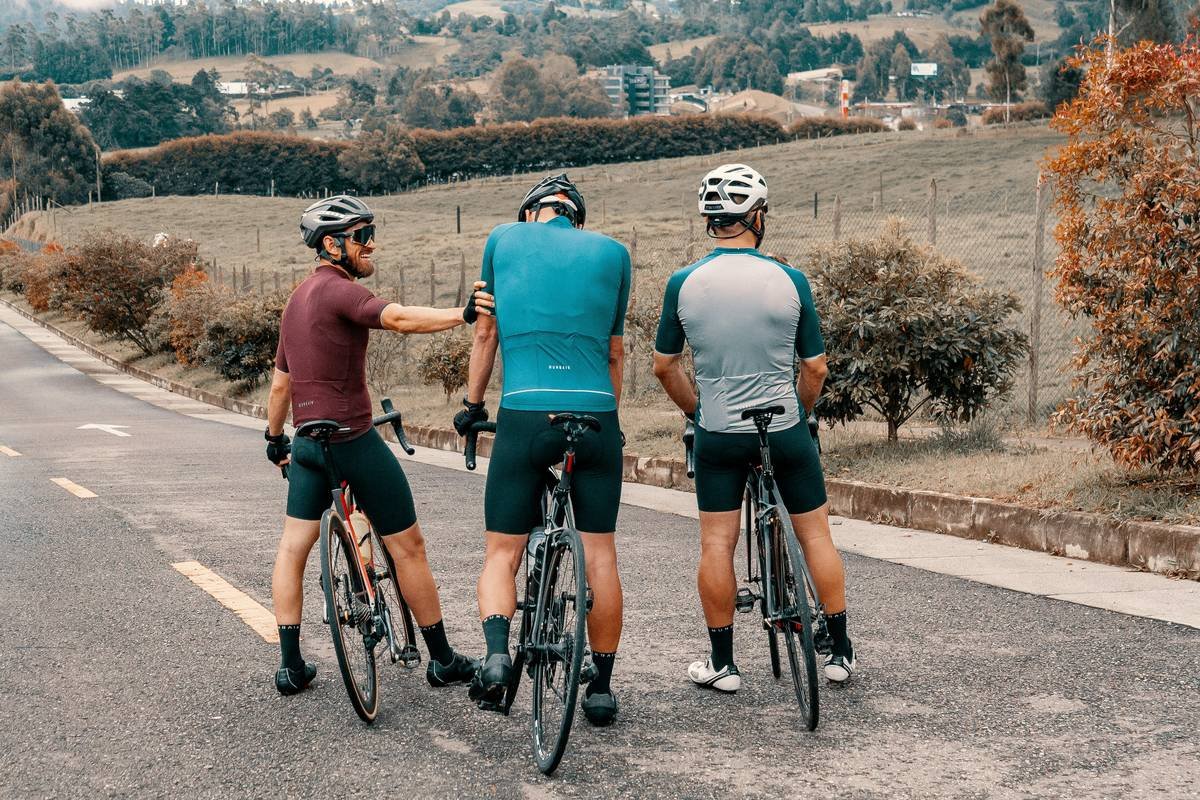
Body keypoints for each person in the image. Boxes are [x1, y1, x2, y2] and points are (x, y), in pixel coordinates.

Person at [265, 194, 494, 695]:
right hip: (353, 439)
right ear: (332, 244)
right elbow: (397, 319)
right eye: (361, 236)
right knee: (407, 546)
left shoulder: (296, 300)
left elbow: (281, 384)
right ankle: (442, 659)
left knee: (293, 548)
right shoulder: (337, 291)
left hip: (306, 443)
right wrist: (463, 314)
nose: (372, 244)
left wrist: (274, 438)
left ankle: (289, 665)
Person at [651, 164, 856, 693]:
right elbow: (814, 369)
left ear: (710, 221)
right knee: (815, 536)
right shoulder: (790, 280)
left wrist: (699, 412)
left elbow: (664, 366)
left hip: (719, 431)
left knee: (716, 545)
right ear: (757, 217)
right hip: (783, 426)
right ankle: (840, 652)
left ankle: (723, 665)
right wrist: (801, 411)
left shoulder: (683, 283)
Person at [454, 174, 630, 726]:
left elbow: (486, 335)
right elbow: (615, 354)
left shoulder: (502, 240)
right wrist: (611, 423)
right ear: (576, 216)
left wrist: (473, 405)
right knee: (599, 552)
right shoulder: (614, 253)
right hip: (595, 412)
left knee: (502, 551)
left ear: (532, 211)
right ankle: (599, 688)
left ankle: (499, 656)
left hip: (525, 411)